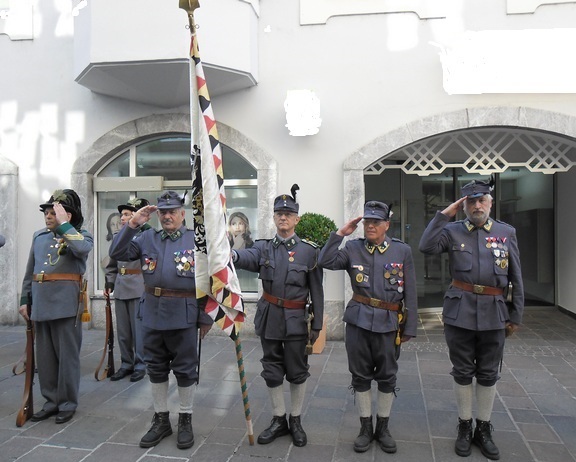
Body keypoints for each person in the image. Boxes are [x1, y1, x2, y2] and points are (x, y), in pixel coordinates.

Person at [419, 178, 524, 461]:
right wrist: (444, 214)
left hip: (494, 312)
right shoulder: (452, 231)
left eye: (482, 200)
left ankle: (484, 428)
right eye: (470, 201)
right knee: (463, 371)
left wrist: (516, 314)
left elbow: (516, 275)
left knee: (489, 373)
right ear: (463, 205)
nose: (477, 206)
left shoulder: (506, 232)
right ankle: (465, 426)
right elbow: (426, 246)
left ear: (490, 202)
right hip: (460, 311)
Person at [109, 190, 212, 450]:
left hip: (184, 313)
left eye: (172, 211)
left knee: (186, 369)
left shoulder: (196, 240)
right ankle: (161, 418)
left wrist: (205, 316)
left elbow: (208, 280)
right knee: (155, 368)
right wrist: (133, 223)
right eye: (163, 212)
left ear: (182, 214)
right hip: (152, 312)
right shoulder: (146, 238)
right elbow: (117, 251)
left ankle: (185, 419)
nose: (167, 216)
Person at [318, 200, 417, 454]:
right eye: (367, 221)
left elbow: (411, 291)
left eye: (375, 222)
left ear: (387, 225)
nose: (370, 226)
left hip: (388, 322)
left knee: (387, 376)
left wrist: (410, 326)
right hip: (359, 321)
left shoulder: (401, 251)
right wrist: (340, 233)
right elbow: (325, 260)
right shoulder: (352, 248)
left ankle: (382, 427)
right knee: (360, 375)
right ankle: (365, 427)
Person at [232, 185, 324, 447]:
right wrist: (231, 254)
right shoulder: (262, 248)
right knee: (271, 369)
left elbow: (316, 289)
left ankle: (295, 419)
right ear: (273, 218)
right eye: (278, 214)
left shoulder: (309, 251)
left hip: (296, 319)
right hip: (270, 316)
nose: (283, 218)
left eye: (288, 214)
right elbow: (244, 257)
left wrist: (317, 323)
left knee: (297, 370)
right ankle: (278, 418)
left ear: (297, 219)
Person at [19, 189, 93, 424]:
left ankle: (67, 403)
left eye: (54, 212)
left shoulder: (80, 235)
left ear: (68, 216)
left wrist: (64, 227)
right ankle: (50, 401)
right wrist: (25, 300)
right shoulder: (39, 236)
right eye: (47, 212)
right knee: (45, 357)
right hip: (41, 304)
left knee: (67, 357)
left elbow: (82, 250)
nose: (48, 216)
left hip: (66, 305)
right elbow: (31, 271)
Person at [104, 198, 151, 382]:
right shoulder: (118, 237)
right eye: (122, 214)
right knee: (123, 331)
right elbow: (111, 264)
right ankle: (126, 363)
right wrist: (109, 283)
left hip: (139, 286)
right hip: (121, 286)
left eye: (126, 214)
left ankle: (141, 365)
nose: (122, 217)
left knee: (138, 330)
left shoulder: (147, 235)